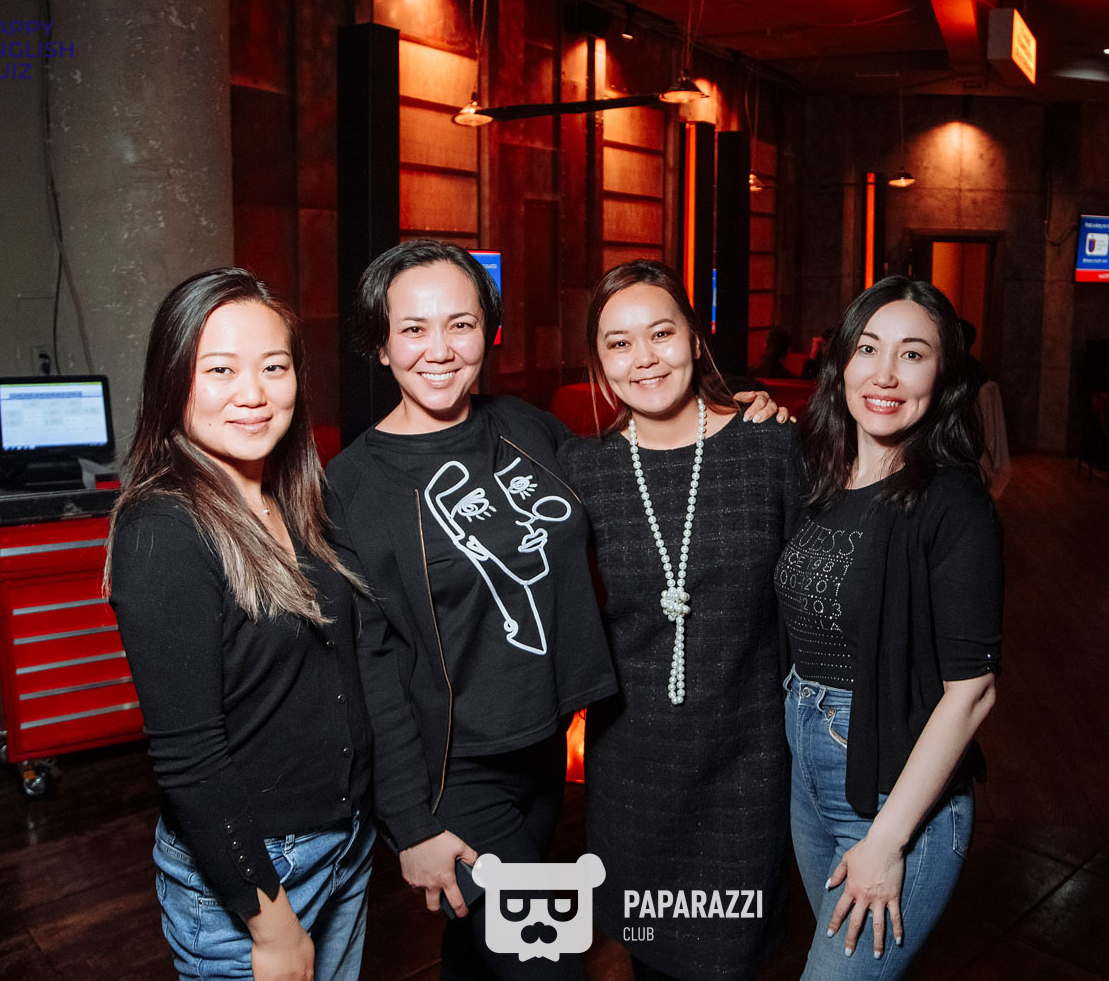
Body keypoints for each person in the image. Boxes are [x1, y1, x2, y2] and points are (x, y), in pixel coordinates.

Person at [323, 240, 782, 978]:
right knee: (547, 958)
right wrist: (409, 822)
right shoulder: (349, 487)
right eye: (412, 329)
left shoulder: (527, 429)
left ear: (489, 332)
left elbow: (638, 470)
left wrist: (739, 411)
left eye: (461, 325)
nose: (439, 349)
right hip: (452, 774)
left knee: (480, 956)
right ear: (380, 345)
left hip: (542, 752)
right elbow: (368, 666)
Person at [106, 268, 377, 981]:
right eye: (220, 369)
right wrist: (272, 926)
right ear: (173, 381)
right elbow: (189, 755)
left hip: (344, 843)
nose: (252, 393)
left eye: (274, 367)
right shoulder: (163, 529)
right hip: (256, 875)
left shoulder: (300, 497)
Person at [558, 261, 806, 981]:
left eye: (661, 334)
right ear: (599, 362)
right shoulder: (582, 469)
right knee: (650, 959)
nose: (644, 358)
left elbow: (818, 605)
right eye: (619, 343)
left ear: (695, 340)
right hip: (632, 770)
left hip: (748, 763)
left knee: (730, 961)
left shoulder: (771, 446)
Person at [774, 276, 1002, 979]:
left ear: (945, 375)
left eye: (913, 354)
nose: (885, 375)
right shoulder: (821, 476)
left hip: (892, 793)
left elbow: (973, 692)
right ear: (841, 361)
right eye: (868, 349)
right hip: (810, 773)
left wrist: (888, 839)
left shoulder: (953, 503)